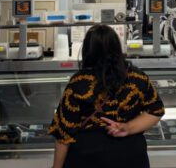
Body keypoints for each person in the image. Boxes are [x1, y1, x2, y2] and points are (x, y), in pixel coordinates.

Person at [48, 24, 165, 168]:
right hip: (131, 156)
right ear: (117, 47)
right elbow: (156, 111)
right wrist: (127, 127)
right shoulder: (137, 77)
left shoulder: (79, 82)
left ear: (87, 50)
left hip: (87, 157)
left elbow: (63, 134)